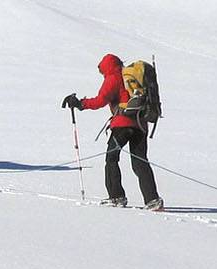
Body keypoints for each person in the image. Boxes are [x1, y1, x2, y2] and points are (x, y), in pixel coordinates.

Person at [62, 54, 163, 210]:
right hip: (141, 124)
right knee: (140, 161)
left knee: (111, 158)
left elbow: (100, 100)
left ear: (105, 67)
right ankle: (152, 199)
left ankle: (116, 196)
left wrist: (80, 104)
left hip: (122, 124)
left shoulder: (113, 77)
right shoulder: (130, 76)